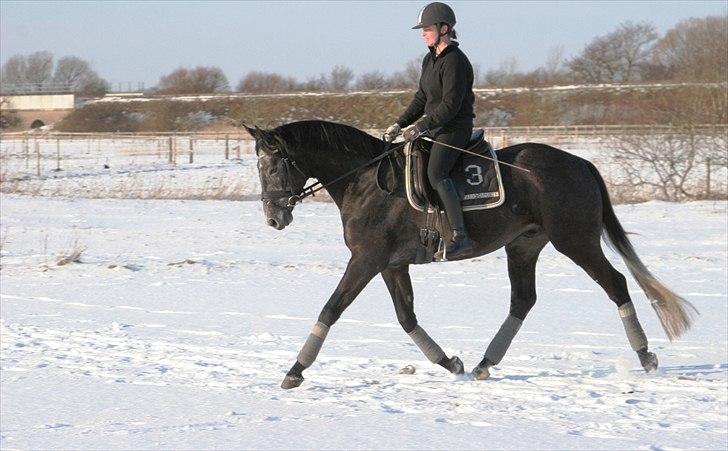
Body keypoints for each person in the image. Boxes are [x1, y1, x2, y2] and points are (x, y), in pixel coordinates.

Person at [384, 1, 475, 259]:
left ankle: (460, 235)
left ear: (444, 28)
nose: (422, 33)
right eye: (422, 29)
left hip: (455, 128)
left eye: (427, 28)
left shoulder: (455, 61)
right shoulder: (429, 59)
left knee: (436, 173)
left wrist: (421, 126)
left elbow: (450, 104)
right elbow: (422, 98)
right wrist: (399, 123)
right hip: (436, 127)